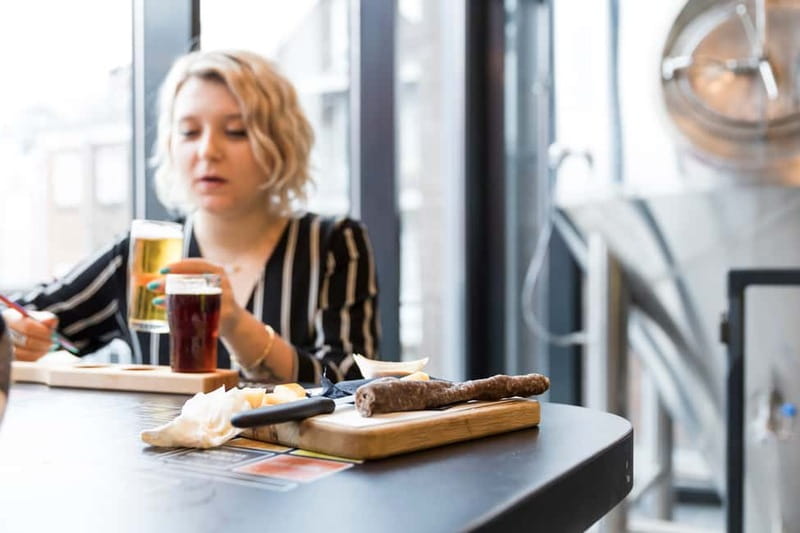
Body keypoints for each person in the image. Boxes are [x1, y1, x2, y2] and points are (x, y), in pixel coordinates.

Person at [2, 49, 380, 384]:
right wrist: (19, 334)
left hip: (297, 466)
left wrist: (235, 323)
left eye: (236, 132)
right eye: (188, 132)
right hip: (164, 464)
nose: (207, 151)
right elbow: (30, 313)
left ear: (280, 143)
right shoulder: (141, 256)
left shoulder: (330, 244)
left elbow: (354, 383)